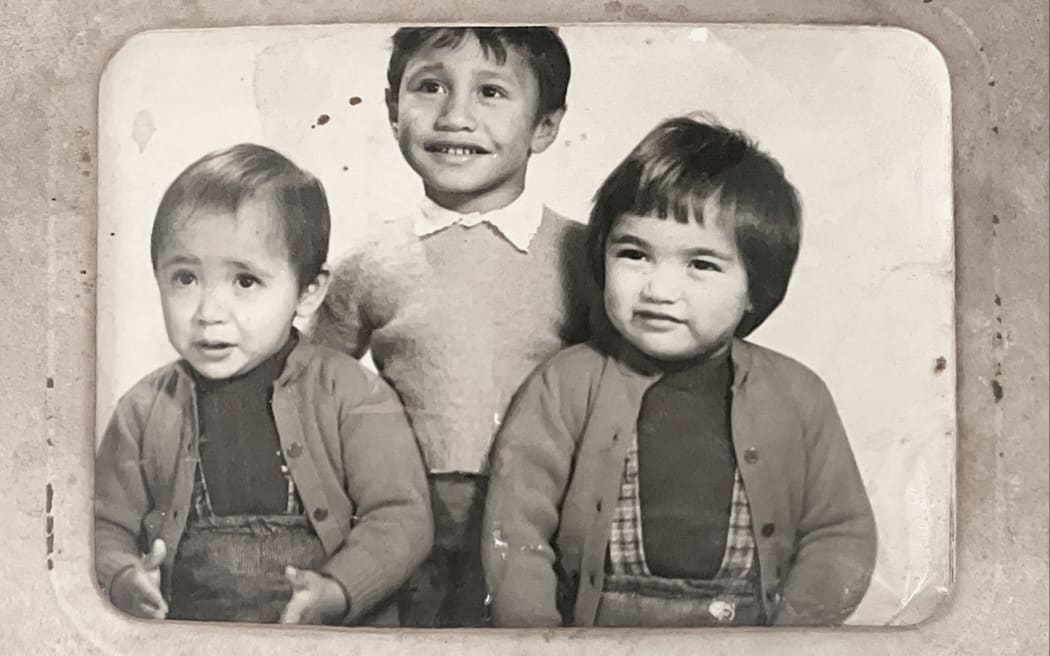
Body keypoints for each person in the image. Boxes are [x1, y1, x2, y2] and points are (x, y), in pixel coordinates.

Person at [482, 116, 877, 627]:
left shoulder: (799, 396)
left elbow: (839, 533)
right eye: (634, 254)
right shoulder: (565, 385)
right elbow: (516, 532)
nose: (659, 290)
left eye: (701, 265)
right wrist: (536, 641)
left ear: (756, 286)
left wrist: (791, 639)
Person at [309, 27, 592, 627]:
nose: (455, 116)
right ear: (392, 113)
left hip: (545, 526)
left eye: (491, 92)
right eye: (430, 86)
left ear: (546, 126)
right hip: (408, 524)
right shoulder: (371, 260)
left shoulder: (583, 256)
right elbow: (311, 383)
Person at [94, 143, 432, 626]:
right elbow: (105, 526)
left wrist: (338, 589)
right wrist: (125, 577)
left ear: (309, 292)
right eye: (185, 278)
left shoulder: (353, 395)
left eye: (246, 282)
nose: (209, 313)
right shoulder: (142, 410)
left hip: (327, 641)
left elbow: (401, 518)